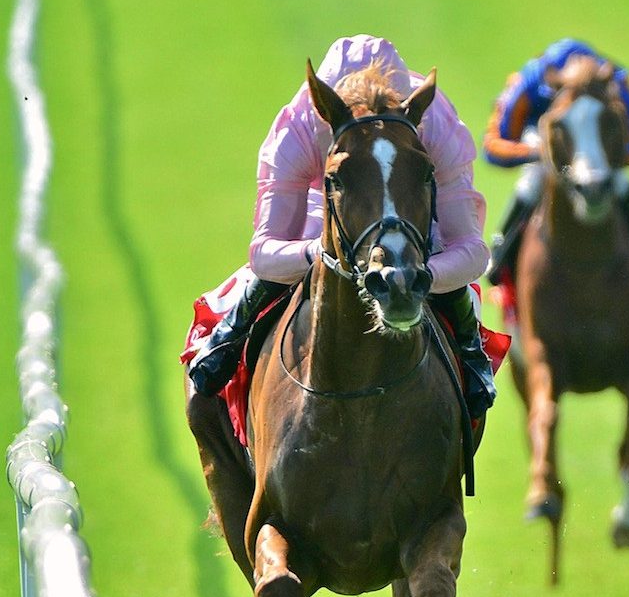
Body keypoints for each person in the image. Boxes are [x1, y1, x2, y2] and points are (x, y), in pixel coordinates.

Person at [185, 35, 496, 420]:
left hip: (410, 210)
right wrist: (321, 251)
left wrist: (421, 275)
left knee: (442, 269)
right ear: (326, 111)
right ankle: (227, 339)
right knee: (269, 278)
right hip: (332, 208)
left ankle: (471, 352)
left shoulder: (436, 125)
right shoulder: (298, 128)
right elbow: (264, 253)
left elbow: (470, 249)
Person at [480, 38, 629, 303]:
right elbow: (494, 145)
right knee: (530, 184)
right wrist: (543, 153)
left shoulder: (617, 81)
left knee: (623, 185)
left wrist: (609, 157)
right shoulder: (530, 79)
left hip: (600, 158)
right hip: (545, 148)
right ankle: (501, 258)